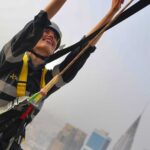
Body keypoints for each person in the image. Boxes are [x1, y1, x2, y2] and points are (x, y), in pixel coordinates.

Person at [0, 0, 123, 149]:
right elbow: (37, 23)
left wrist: (111, 13)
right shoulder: (9, 61)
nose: (51, 36)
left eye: (55, 38)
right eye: (46, 32)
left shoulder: (46, 81)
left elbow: (80, 54)